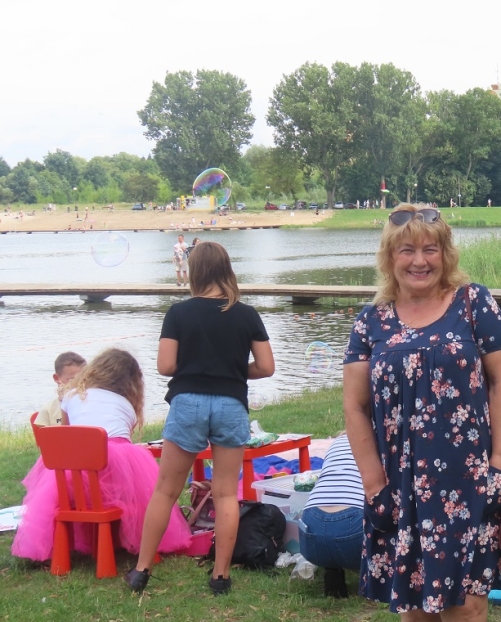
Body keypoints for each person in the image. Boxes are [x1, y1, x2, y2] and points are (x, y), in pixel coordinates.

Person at [343, 203, 501, 622]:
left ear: (445, 254)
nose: (419, 261)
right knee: (415, 608)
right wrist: (374, 486)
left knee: (467, 609)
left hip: (468, 480)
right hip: (398, 486)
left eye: (429, 249)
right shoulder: (370, 321)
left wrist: (500, 464)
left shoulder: (474, 303)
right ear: (389, 257)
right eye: (407, 250)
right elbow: (355, 407)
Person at [126, 241, 275, 596]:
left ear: (194, 271)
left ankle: (141, 570)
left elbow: (166, 366)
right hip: (230, 405)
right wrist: (232, 370)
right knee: (225, 494)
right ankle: (220, 576)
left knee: (166, 490)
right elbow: (267, 367)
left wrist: (198, 367)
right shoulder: (247, 314)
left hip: (188, 402)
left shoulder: (179, 312)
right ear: (227, 268)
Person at [12, 349, 192, 562]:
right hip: (115, 472)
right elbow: (123, 438)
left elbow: (66, 434)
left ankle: (69, 542)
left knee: (66, 489)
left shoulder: (70, 396)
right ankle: (137, 540)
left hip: (73, 475)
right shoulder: (126, 405)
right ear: (132, 383)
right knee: (141, 493)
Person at [298, 433, 364, 599]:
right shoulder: (380, 443)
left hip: (310, 532)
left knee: (331, 531)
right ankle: (377, 577)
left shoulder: (337, 443)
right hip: (353, 530)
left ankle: (332, 571)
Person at [33, 351, 86, 427]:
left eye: (83, 380)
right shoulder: (48, 410)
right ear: (57, 378)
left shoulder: (90, 403)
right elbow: (43, 434)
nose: (79, 384)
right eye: (72, 380)